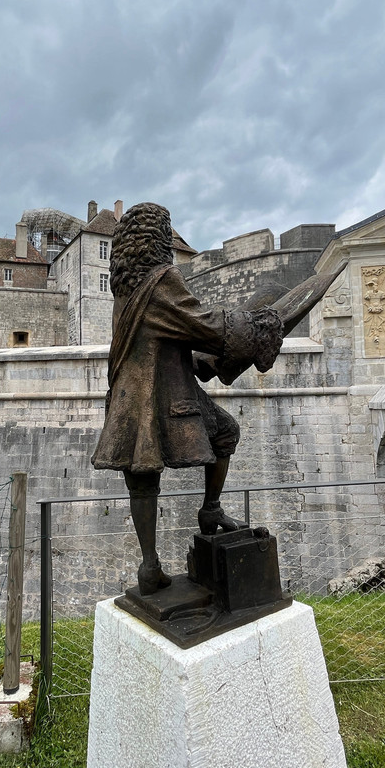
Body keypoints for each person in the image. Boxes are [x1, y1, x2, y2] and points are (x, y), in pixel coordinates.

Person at [91, 202, 284, 594]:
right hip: (161, 392)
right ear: (159, 238)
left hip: (130, 394)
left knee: (142, 477)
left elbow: (164, 336)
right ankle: (209, 510)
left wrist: (202, 360)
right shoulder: (161, 280)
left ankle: (151, 566)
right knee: (225, 433)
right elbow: (201, 324)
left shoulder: (125, 288)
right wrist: (257, 327)